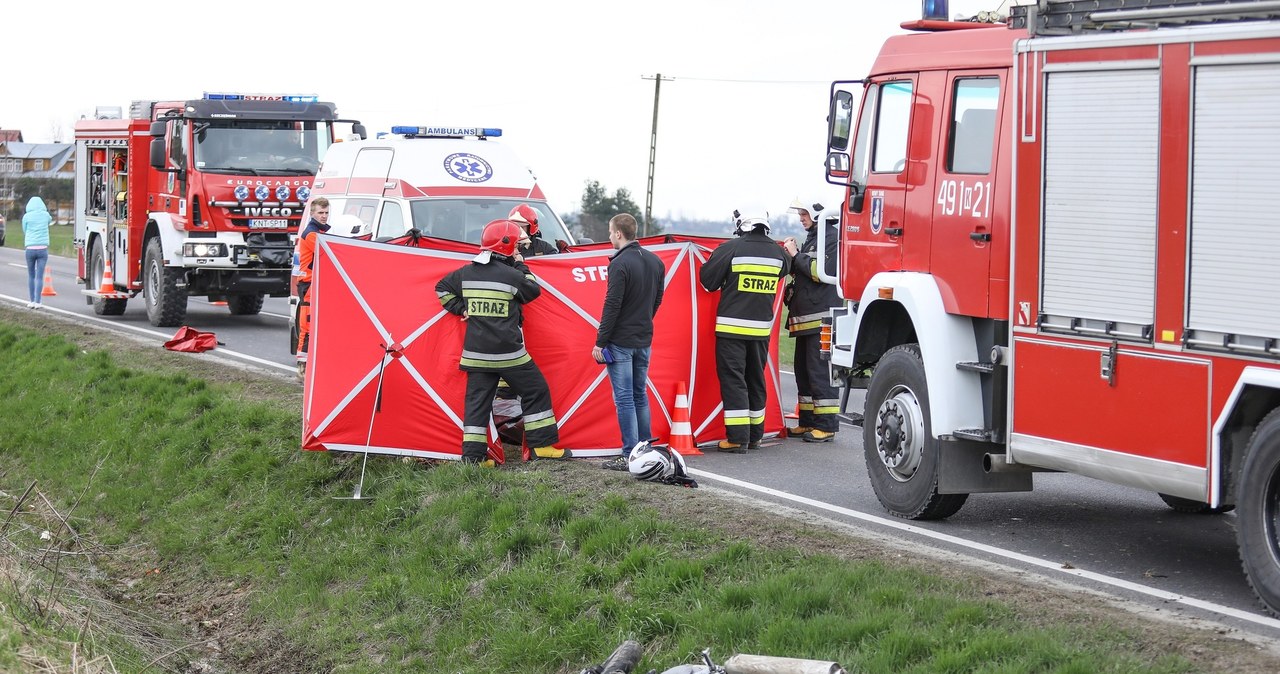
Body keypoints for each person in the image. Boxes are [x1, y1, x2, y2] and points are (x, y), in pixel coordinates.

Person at [436, 219, 569, 465]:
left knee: (477, 404)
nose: (519, 251)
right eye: (516, 247)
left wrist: (460, 308)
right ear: (506, 246)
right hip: (509, 354)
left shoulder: (465, 274)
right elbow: (533, 291)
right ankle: (542, 447)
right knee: (536, 391)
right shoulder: (511, 275)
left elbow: (442, 288)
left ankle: (473, 459)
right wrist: (522, 266)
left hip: (475, 355)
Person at [698, 211, 791, 453]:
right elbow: (783, 271)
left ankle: (738, 438)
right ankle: (755, 436)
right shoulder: (779, 252)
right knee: (755, 380)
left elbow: (708, 281)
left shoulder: (731, 248)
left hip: (731, 329)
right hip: (760, 331)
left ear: (743, 225)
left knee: (734, 380)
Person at [593, 213, 665, 471]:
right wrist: (643, 321)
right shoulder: (656, 261)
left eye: (611, 232)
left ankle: (629, 454)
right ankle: (645, 448)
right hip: (644, 338)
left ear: (619, 234)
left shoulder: (619, 263)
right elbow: (657, 299)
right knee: (639, 395)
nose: (609, 236)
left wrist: (600, 341)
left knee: (624, 399)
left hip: (620, 341)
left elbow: (612, 305)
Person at [782, 199, 841, 443]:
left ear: (817, 213)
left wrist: (796, 256)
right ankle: (807, 421)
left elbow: (820, 272)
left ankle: (826, 425)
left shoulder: (832, 238)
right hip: (805, 319)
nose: (801, 218)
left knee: (819, 372)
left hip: (820, 319)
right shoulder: (815, 237)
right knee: (803, 372)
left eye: (804, 213)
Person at [295, 197, 331, 380]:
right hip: (309, 285)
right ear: (313, 213)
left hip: (314, 284)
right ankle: (303, 369)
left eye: (326, 213)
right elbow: (328, 252)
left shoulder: (317, 231)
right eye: (321, 213)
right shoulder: (311, 234)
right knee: (307, 326)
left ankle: (311, 366)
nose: (324, 216)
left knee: (314, 326)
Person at [22, 196, 52, 310]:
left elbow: (24, 230)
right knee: (39, 276)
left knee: (31, 275)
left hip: (30, 248)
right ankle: (38, 302)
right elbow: (50, 221)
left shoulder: (26, 217)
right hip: (43, 249)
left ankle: (31, 301)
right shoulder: (45, 215)